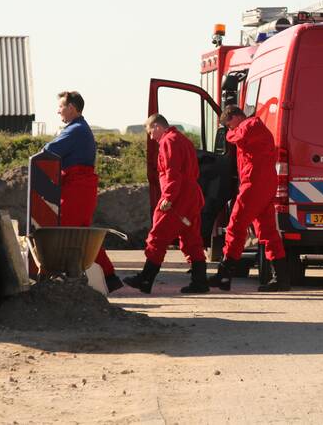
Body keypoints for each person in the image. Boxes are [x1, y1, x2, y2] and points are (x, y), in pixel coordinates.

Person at [43, 91, 123, 294]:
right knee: (82, 234)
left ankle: (58, 277)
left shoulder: (75, 130)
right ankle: (109, 277)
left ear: (71, 108)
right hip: (78, 187)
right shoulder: (78, 128)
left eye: (61, 106)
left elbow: (49, 150)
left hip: (76, 188)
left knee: (67, 233)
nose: (58, 111)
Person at [124, 114, 209, 294]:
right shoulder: (183, 140)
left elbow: (172, 172)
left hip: (178, 199)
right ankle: (200, 281)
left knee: (158, 236)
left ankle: (146, 279)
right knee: (191, 238)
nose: (151, 137)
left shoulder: (168, 141)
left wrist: (168, 198)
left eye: (150, 132)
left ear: (157, 126)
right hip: (191, 197)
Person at [209, 105, 290, 292]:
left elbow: (237, 137)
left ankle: (224, 274)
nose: (230, 129)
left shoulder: (249, 125)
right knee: (268, 232)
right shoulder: (254, 127)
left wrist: (228, 134)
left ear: (235, 117)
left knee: (236, 225)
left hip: (254, 184)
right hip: (263, 184)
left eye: (229, 125)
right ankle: (281, 277)